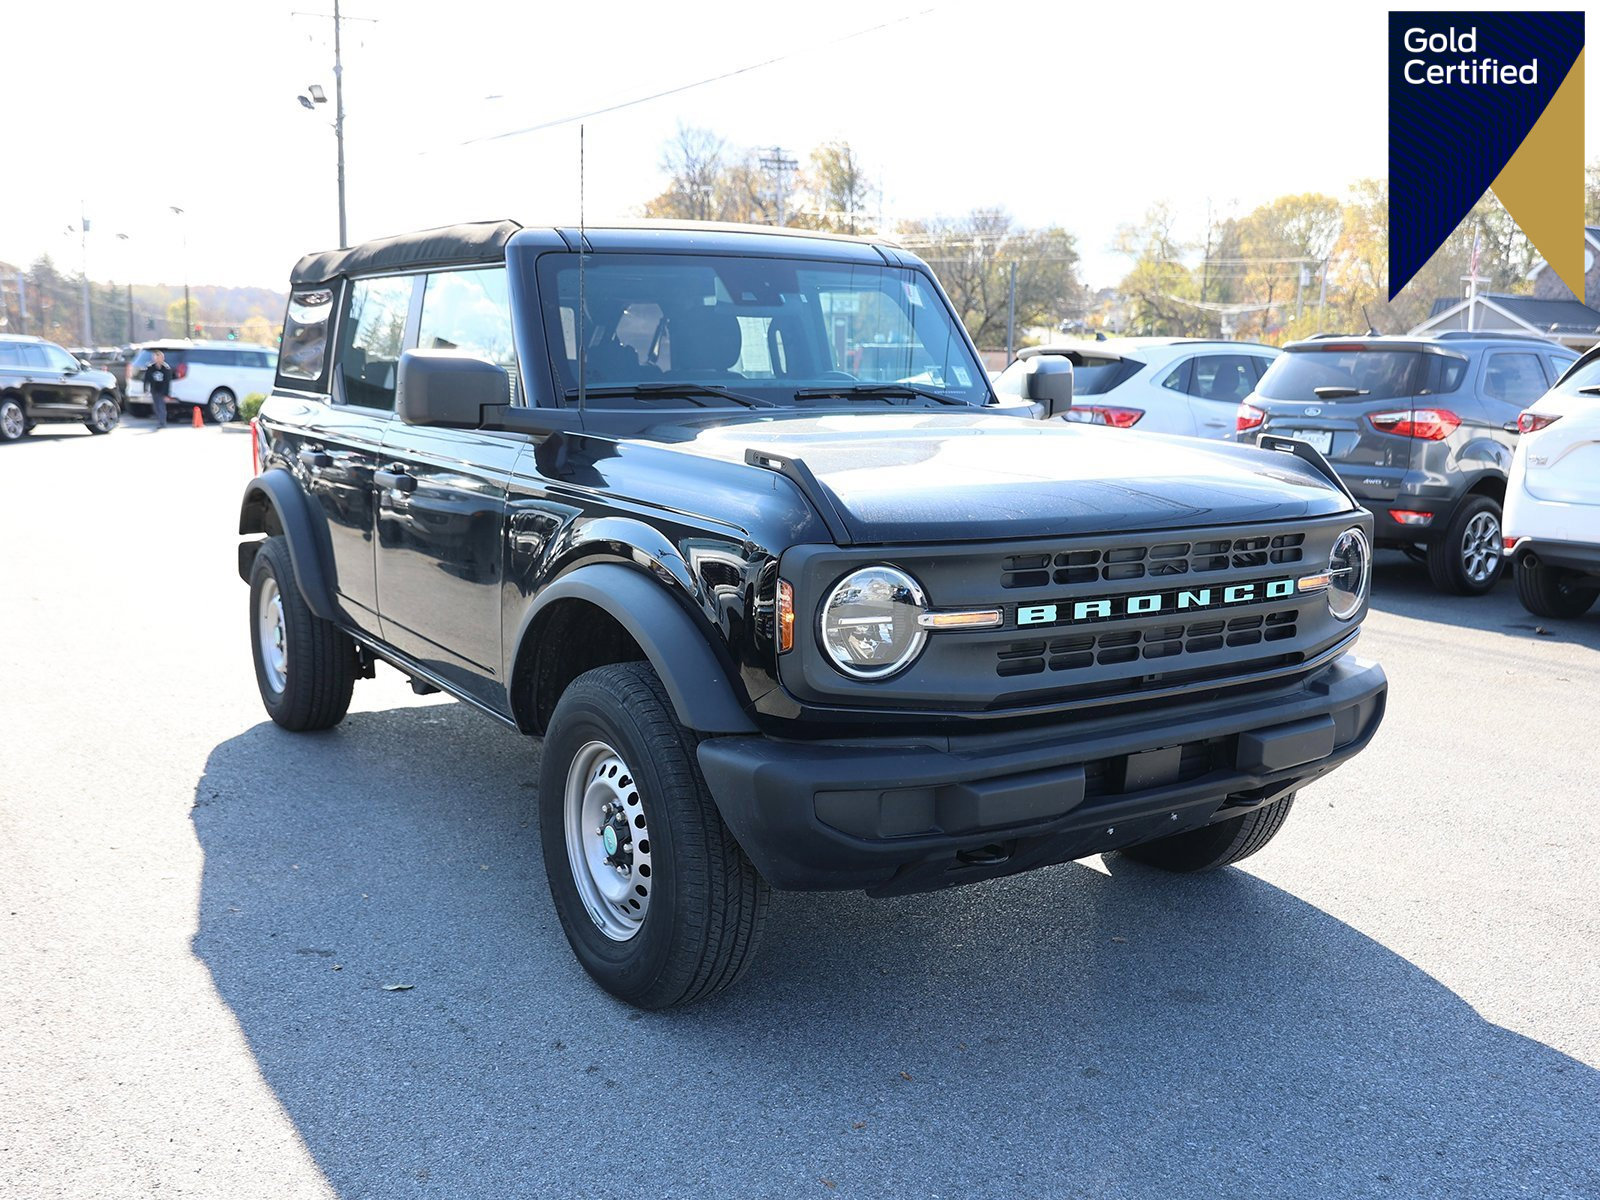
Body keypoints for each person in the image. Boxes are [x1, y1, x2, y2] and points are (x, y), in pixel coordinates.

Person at [144, 350, 174, 429]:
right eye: (156, 357)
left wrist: (167, 394)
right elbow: (146, 379)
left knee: (161, 406)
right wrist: (145, 389)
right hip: (154, 389)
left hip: (162, 390)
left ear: (163, 358)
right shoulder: (150, 368)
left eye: (159, 357)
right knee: (156, 406)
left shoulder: (166, 368)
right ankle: (159, 420)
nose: (158, 359)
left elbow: (168, 382)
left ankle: (162, 422)